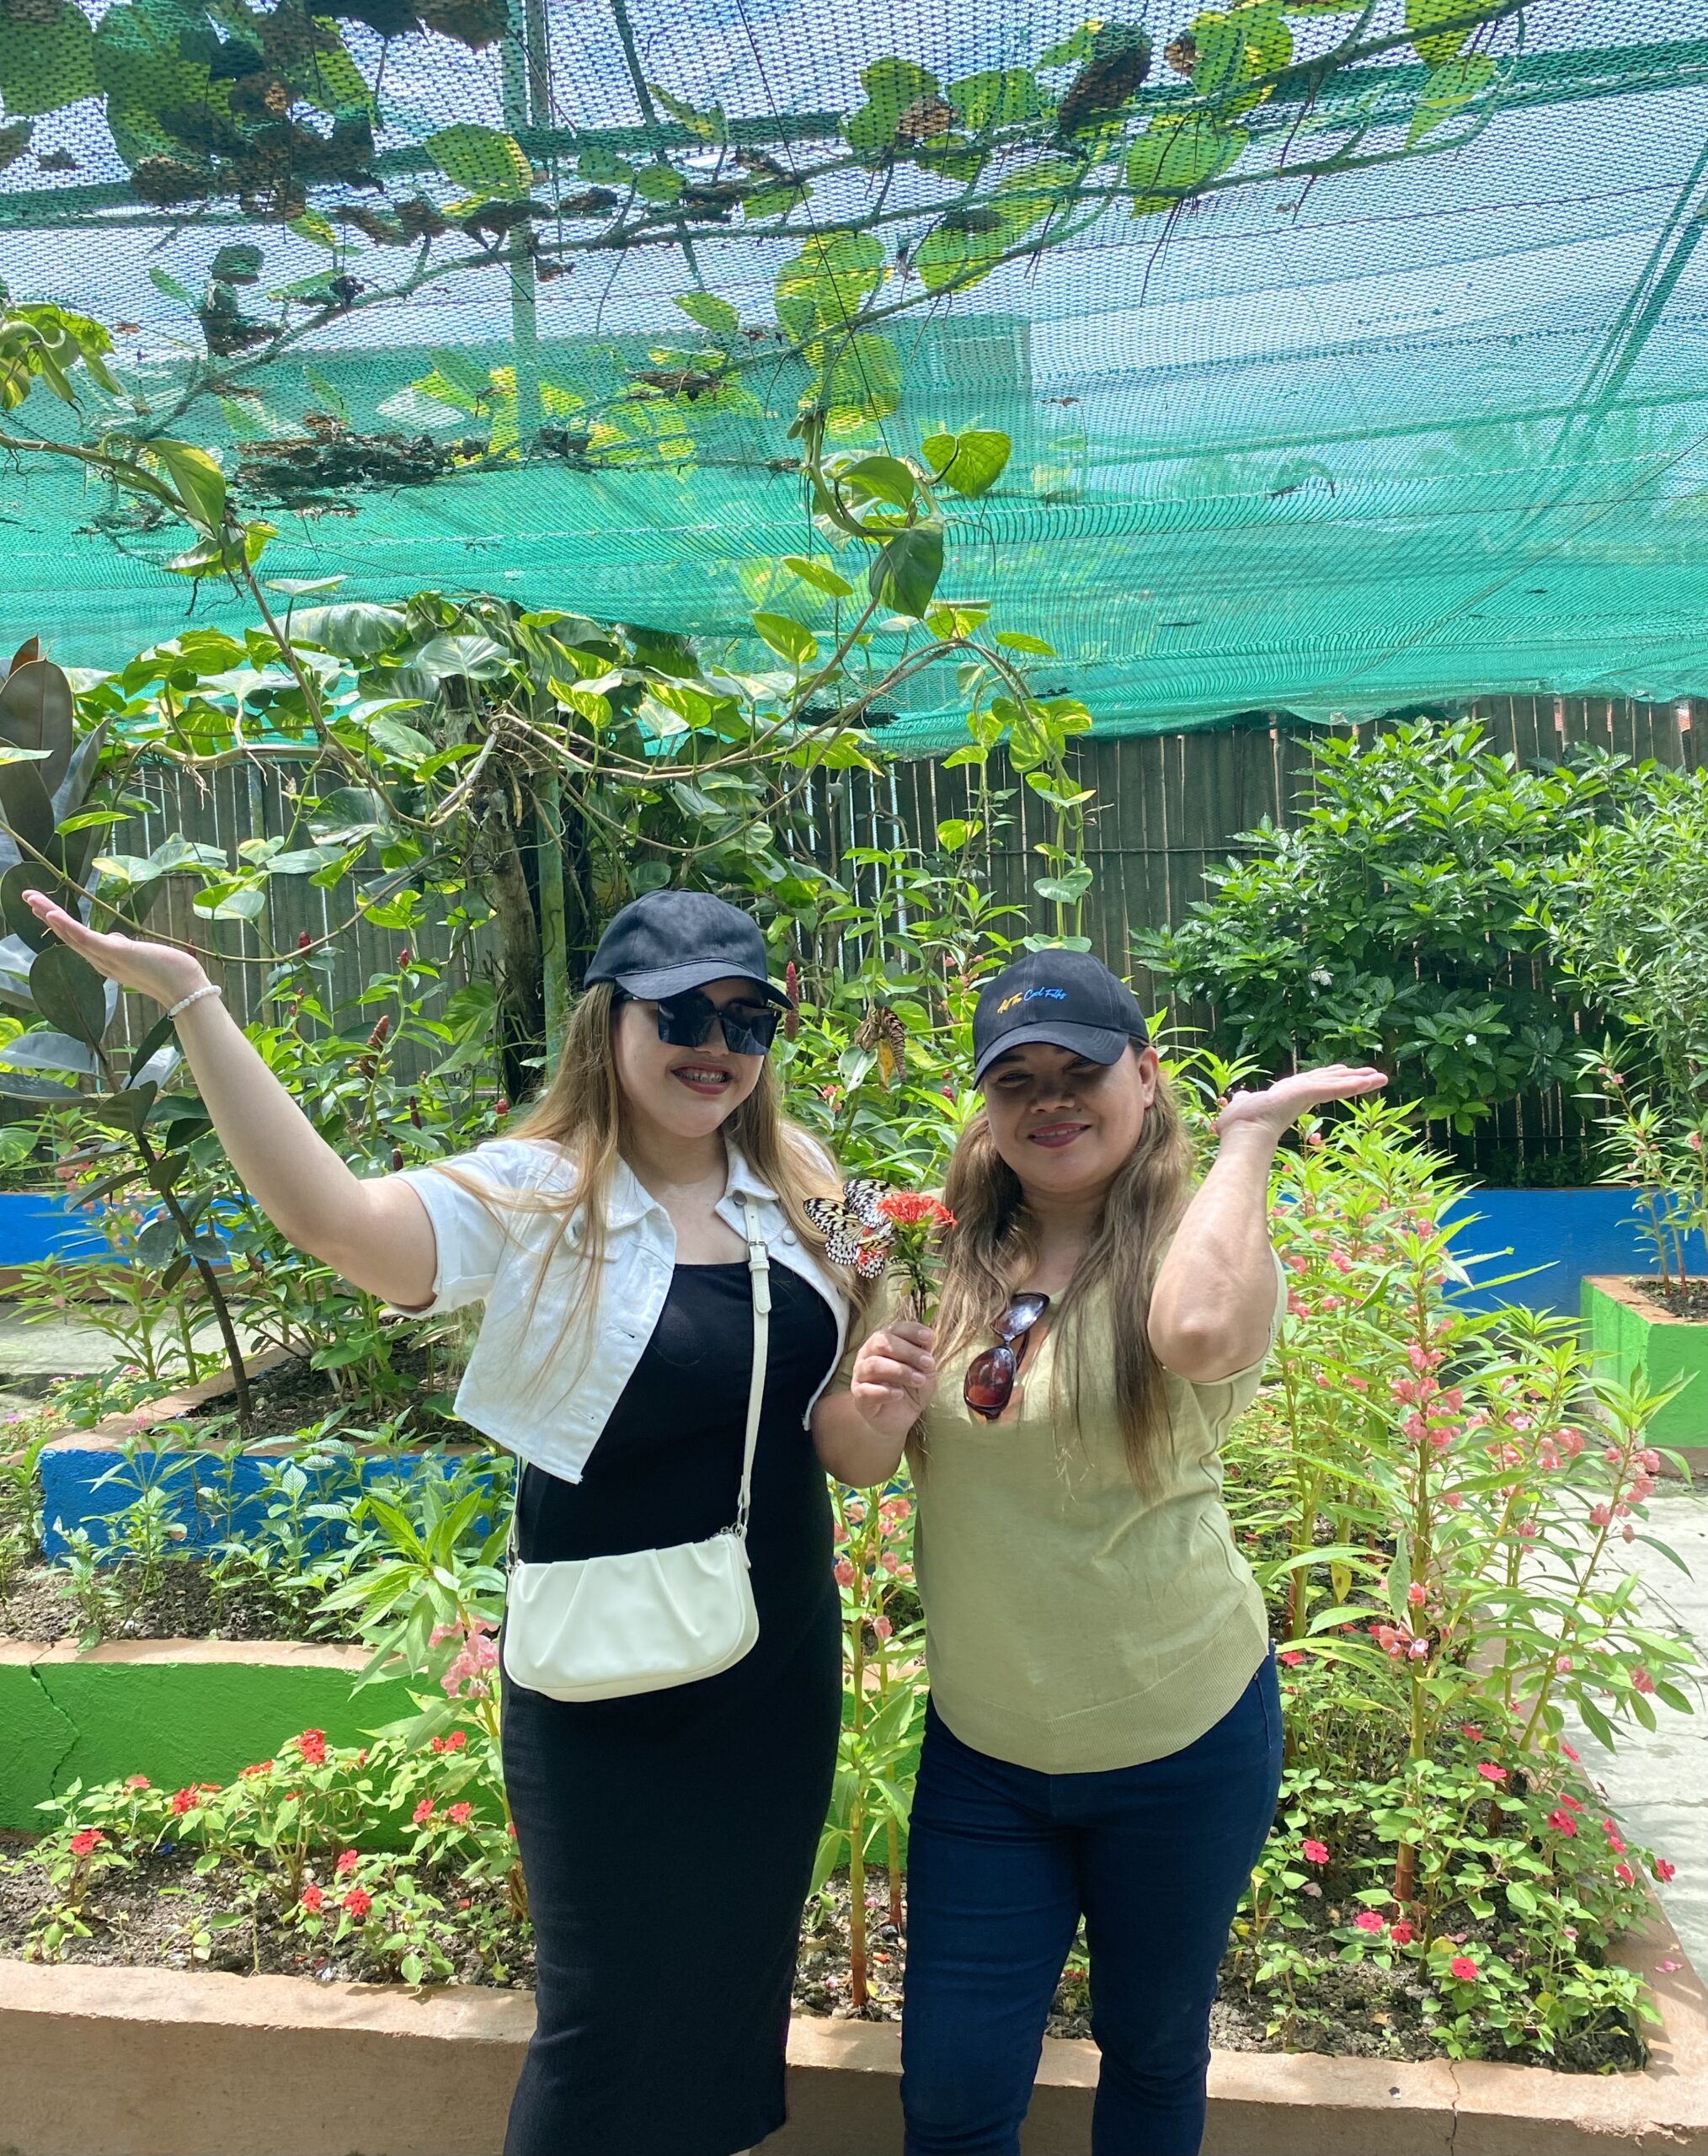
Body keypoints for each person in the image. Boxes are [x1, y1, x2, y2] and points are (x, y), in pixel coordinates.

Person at [23, 882, 895, 2156]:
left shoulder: (815, 1194)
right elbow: (336, 1223)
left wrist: (888, 1393)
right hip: (599, 1668)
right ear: (612, 1024)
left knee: (732, 1981)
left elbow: (842, 1443)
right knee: (602, 2015)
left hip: (774, 1662)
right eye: (682, 1012)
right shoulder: (539, 1191)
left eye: (748, 1015)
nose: (717, 1040)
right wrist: (195, 1003)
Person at [815, 950, 1387, 2156]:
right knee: (954, 2094)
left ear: (1145, 1073)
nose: (1050, 1100)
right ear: (988, 1105)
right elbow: (858, 1460)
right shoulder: (930, 1252)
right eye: (1016, 1079)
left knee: (1153, 2048)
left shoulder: (1201, 1239)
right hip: (989, 1756)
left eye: (1081, 1070)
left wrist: (1246, 1141)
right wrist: (871, 1400)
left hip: (1182, 1740)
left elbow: (1194, 1332)